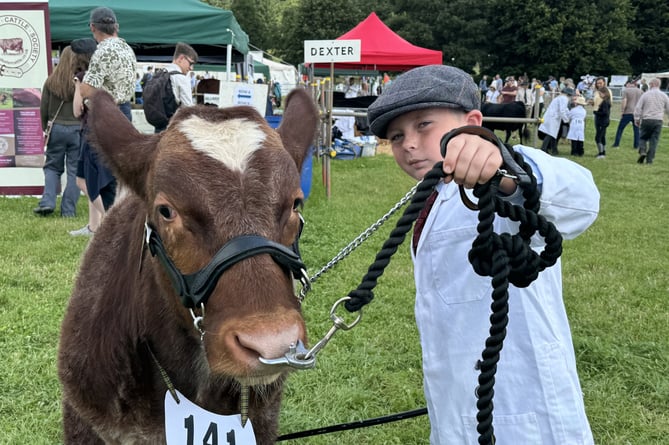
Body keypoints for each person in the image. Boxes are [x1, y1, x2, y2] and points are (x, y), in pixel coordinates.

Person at [367, 64, 598, 445]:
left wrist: (508, 170)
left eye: (424, 125)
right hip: (456, 403)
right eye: (396, 136)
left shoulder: (507, 180)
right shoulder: (431, 197)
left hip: (524, 410)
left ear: (473, 123)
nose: (409, 144)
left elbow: (583, 201)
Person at [33, 46, 83, 217]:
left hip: (56, 129)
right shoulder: (81, 81)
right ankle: (68, 211)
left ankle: (47, 201)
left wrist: (44, 128)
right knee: (74, 171)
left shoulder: (51, 81)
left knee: (52, 167)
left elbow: (44, 109)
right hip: (77, 129)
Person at [79, 6, 136, 122]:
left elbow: (86, 91)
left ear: (92, 27)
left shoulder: (102, 51)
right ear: (116, 27)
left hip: (107, 114)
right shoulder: (128, 49)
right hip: (125, 111)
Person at [151, 42, 198, 132]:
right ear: (181, 58)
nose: (191, 68)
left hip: (158, 126)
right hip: (173, 130)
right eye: (190, 63)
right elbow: (188, 110)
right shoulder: (181, 79)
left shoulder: (161, 73)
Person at [634, 77, 669, 164]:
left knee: (643, 137)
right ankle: (650, 159)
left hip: (646, 119)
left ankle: (642, 151)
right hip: (658, 120)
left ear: (652, 84)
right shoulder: (664, 96)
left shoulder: (645, 95)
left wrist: (637, 118)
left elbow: (638, 107)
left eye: (650, 84)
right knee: (654, 140)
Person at [538, 87, 573, 154]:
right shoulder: (564, 98)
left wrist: (569, 115)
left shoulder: (559, 97)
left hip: (551, 117)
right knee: (550, 133)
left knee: (553, 134)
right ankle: (544, 148)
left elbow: (565, 109)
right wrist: (566, 120)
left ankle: (554, 150)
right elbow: (562, 110)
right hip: (553, 118)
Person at [612, 80, 643, 149]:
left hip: (628, 112)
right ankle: (636, 145)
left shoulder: (626, 91)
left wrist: (622, 111)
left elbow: (624, 101)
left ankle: (616, 144)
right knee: (636, 130)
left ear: (629, 84)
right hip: (637, 113)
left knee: (620, 128)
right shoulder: (640, 91)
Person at [593, 86, 611, 158]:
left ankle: (601, 153)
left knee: (598, 137)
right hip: (604, 121)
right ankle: (603, 151)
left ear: (604, 93)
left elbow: (605, 113)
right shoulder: (606, 101)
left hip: (602, 122)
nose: (599, 95)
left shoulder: (605, 102)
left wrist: (596, 112)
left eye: (600, 93)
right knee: (602, 136)